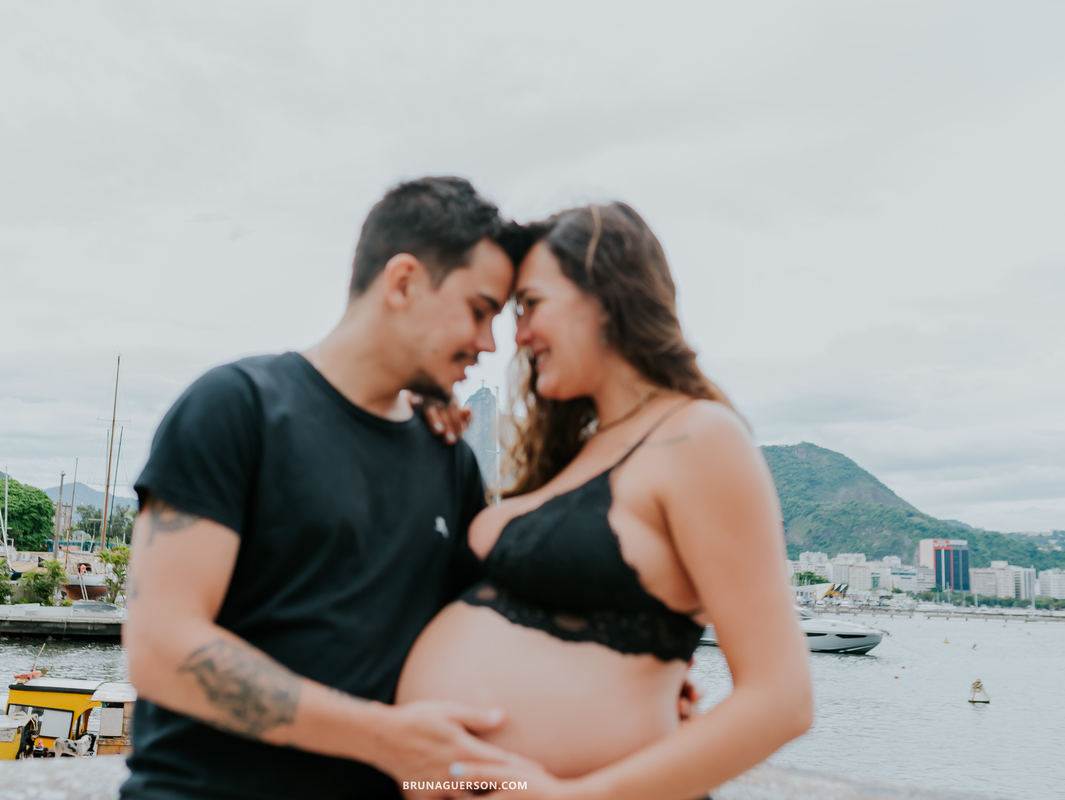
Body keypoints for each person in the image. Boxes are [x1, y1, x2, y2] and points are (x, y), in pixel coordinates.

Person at [120, 176, 542, 800]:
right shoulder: (236, 407)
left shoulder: (449, 459)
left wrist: (636, 681)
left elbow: (480, 638)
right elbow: (162, 649)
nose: (488, 342)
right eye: (479, 311)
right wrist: (384, 739)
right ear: (403, 282)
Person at [396, 202, 813, 799]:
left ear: (605, 295)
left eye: (532, 306)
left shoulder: (699, 436)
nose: (519, 335)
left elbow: (784, 700)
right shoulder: (578, 454)